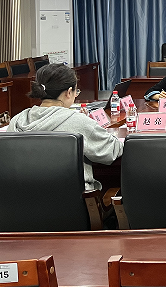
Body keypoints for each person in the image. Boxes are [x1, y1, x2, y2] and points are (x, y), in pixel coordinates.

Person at [7, 63, 123, 191]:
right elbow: (112, 151)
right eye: (76, 91)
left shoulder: (16, 120)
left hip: (20, 198)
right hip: (72, 199)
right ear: (68, 92)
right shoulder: (79, 122)